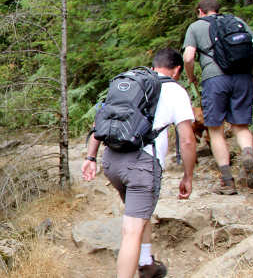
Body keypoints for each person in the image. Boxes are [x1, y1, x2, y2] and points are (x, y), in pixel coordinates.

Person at [81, 49, 197, 278]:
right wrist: (188, 176)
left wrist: (90, 158)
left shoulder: (132, 84)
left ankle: (146, 264)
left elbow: (100, 121)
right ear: (177, 70)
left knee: (139, 212)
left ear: (153, 67)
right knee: (131, 230)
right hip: (141, 164)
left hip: (112, 161)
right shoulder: (176, 90)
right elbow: (187, 139)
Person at [183, 0, 253, 194]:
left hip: (214, 79)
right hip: (243, 76)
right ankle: (248, 153)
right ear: (218, 10)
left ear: (200, 11)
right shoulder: (237, 21)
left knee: (216, 130)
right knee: (240, 126)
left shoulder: (196, 27)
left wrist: (191, 76)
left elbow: (189, 57)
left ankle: (227, 181)